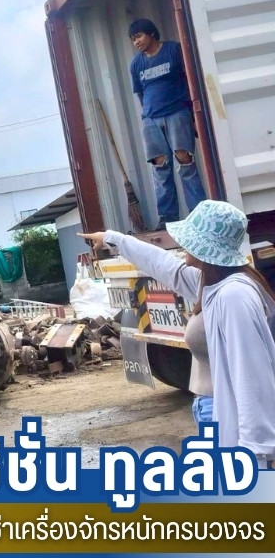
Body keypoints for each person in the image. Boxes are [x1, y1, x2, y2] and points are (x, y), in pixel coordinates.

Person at [78, 200, 275, 468]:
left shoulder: (233, 296)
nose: (182, 243)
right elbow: (163, 264)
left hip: (237, 432)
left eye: (190, 238)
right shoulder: (212, 284)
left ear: (205, 247)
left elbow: (252, 375)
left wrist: (255, 453)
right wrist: (113, 239)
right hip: (216, 411)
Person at [128, 18, 206, 230]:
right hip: (151, 119)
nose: (136, 42)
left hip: (177, 113)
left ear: (151, 33)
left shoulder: (173, 50)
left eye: (139, 36)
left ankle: (199, 215)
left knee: (185, 162)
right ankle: (167, 219)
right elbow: (140, 93)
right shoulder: (136, 64)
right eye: (133, 39)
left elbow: (190, 79)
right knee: (160, 168)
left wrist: (192, 114)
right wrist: (147, 114)